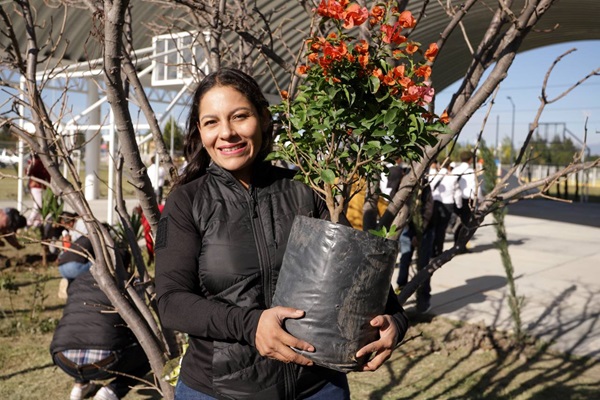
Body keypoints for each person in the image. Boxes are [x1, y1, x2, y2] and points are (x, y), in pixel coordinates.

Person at [155, 68, 408, 400]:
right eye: (212, 122)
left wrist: (396, 321)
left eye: (239, 117)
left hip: (317, 387)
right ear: (200, 131)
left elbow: (356, 277)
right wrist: (251, 324)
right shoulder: (187, 201)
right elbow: (172, 303)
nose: (227, 133)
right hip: (220, 391)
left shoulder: (305, 191)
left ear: (262, 118)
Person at [50, 271, 151, 400]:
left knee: (82, 331)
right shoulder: (125, 282)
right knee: (148, 355)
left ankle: (80, 386)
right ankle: (112, 391)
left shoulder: (79, 280)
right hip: (105, 361)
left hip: (63, 358)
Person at [396, 176, 435, 313]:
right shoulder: (408, 183)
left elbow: (428, 210)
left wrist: (419, 231)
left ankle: (422, 300)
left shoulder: (420, 184)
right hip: (409, 229)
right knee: (407, 261)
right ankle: (401, 291)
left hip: (422, 230)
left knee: (421, 265)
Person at [452, 151, 484, 253]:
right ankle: (460, 246)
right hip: (467, 201)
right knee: (465, 224)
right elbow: (476, 188)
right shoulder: (471, 172)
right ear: (470, 160)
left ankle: (456, 245)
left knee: (458, 223)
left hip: (455, 200)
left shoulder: (455, 170)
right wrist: (481, 199)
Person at [429, 160, 458, 258]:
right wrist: (458, 206)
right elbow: (456, 192)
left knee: (434, 228)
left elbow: (430, 187)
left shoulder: (435, 175)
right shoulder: (452, 177)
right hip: (448, 204)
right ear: (449, 166)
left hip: (435, 203)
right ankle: (439, 250)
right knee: (441, 229)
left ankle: (432, 250)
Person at [26, 153, 51, 228]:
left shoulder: (42, 163)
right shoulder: (36, 163)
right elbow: (29, 172)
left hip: (43, 187)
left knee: (42, 206)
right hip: (36, 186)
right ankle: (29, 222)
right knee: (38, 205)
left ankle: (37, 223)